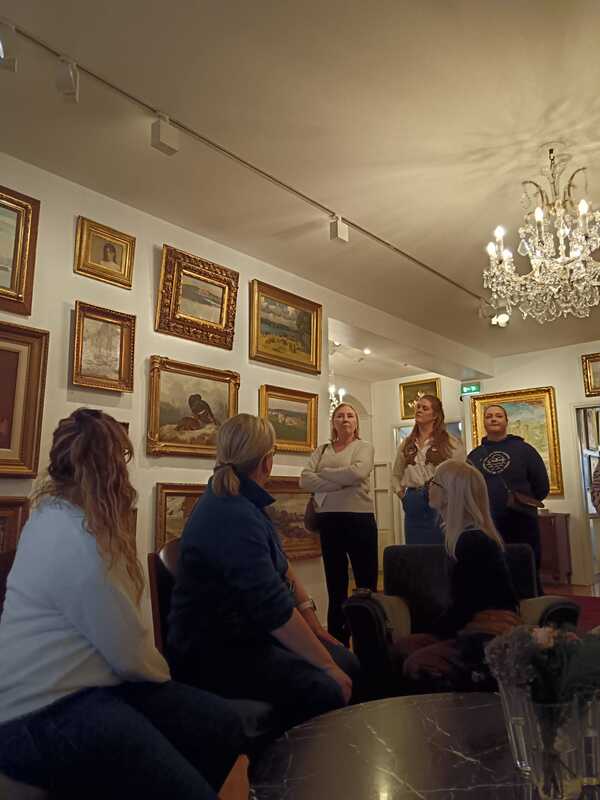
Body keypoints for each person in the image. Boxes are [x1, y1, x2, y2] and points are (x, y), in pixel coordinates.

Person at [0, 408, 244, 799]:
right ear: (110, 471)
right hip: (41, 713)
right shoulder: (76, 539)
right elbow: (130, 654)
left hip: (83, 690)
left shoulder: (48, 516)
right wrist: (165, 680)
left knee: (221, 722)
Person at [167, 413, 358, 735]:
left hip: (244, 637)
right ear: (267, 462)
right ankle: (294, 766)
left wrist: (313, 626)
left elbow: (281, 567)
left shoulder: (240, 501)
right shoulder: (232, 514)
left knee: (345, 660)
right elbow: (272, 607)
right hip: (215, 653)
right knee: (327, 684)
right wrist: (326, 665)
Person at [398, 460, 520, 692]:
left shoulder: (473, 541)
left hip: (488, 635)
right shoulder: (468, 536)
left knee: (415, 662)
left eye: (434, 482)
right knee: (402, 647)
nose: (428, 487)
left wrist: (432, 632)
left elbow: (466, 607)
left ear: (449, 493)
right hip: (475, 629)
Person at [299, 403, 378, 646]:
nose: (345, 419)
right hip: (329, 520)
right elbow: (305, 479)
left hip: (359, 519)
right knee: (335, 585)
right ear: (333, 421)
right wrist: (341, 481)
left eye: (350, 415)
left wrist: (323, 475)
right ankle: (338, 643)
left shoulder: (364, 447)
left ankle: (370, 640)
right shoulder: (322, 450)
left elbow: (358, 473)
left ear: (356, 422)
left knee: (365, 584)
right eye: (340, 416)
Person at [468, 404, 549, 591]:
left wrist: (522, 502)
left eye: (498, 416)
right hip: (488, 523)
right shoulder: (475, 455)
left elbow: (541, 485)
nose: (493, 419)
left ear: (506, 421)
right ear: (484, 422)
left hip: (522, 520)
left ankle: (531, 603)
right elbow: (469, 488)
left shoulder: (525, 450)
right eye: (489, 416)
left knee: (526, 569)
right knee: (493, 570)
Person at [392, 395, 466, 544]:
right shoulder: (407, 443)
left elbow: (461, 474)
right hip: (413, 499)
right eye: (418, 407)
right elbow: (396, 474)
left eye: (424, 408)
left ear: (435, 415)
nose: (419, 410)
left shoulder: (450, 442)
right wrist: (402, 495)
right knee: (415, 547)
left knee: (441, 546)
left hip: (440, 499)